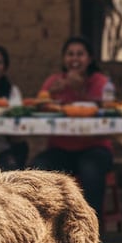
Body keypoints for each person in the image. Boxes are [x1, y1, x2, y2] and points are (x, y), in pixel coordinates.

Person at [32, 36, 114, 220]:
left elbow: (108, 110)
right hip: (61, 149)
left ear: (90, 59)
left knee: (91, 168)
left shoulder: (101, 82)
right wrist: (51, 93)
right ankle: (43, 224)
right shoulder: (54, 81)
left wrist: (80, 91)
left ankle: (92, 226)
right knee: (39, 166)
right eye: (70, 54)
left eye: (80, 54)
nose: (75, 59)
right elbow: (38, 106)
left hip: (95, 148)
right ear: (64, 59)